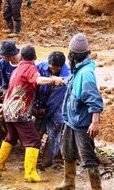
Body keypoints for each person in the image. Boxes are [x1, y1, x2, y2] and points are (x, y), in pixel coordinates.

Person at [0, 45, 64, 183]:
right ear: (35, 57)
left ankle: (0, 165)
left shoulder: (17, 68)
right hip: (19, 111)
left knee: (11, 137)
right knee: (33, 141)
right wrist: (53, 79)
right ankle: (30, 174)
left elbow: (9, 89)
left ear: (21, 56)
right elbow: (38, 80)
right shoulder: (30, 68)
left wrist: (3, 107)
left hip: (9, 109)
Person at [54, 33, 103, 190]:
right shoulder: (78, 69)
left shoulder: (86, 74)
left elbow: (94, 99)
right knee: (67, 151)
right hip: (71, 120)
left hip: (82, 123)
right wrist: (59, 80)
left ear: (73, 54)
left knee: (88, 158)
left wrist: (95, 122)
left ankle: (96, 187)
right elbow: (72, 82)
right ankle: (69, 182)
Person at [35, 51, 70, 168]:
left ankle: (46, 162)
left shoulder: (65, 76)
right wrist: (36, 107)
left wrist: (44, 111)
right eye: (51, 68)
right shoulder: (40, 67)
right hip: (41, 102)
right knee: (37, 131)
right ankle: (31, 159)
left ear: (61, 66)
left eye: (57, 69)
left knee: (54, 134)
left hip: (57, 107)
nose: (54, 70)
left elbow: (55, 99)